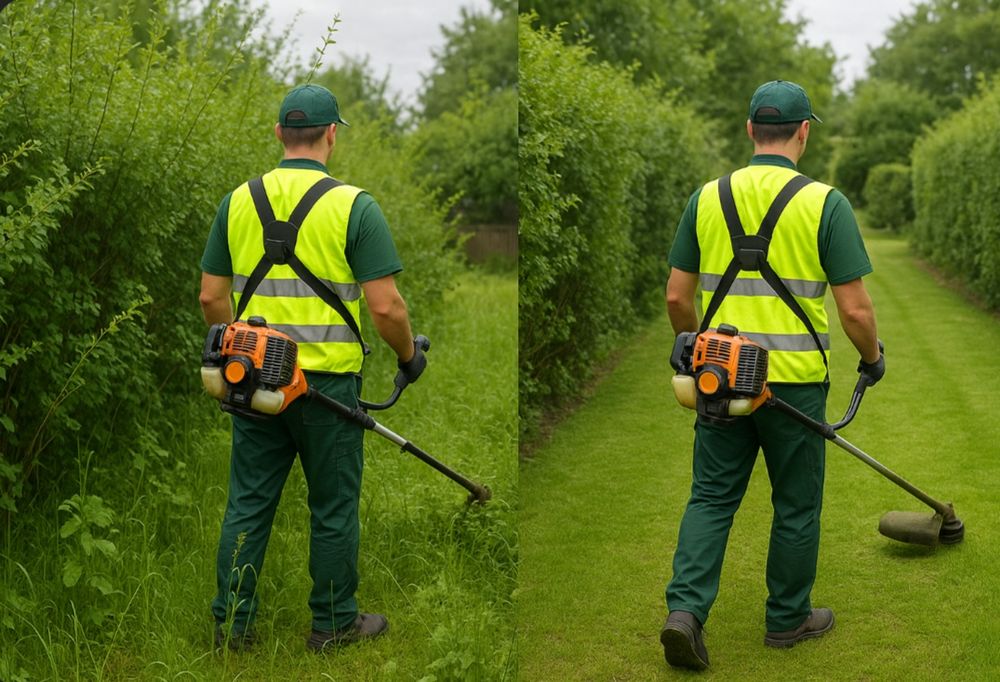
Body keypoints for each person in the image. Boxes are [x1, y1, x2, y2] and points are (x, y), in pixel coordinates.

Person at [659, 80, 885, 671]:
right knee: (796, 504)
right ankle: (787, 619)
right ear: (804, 131)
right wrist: (872, 358)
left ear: (749, 129)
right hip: (796, 387)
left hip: (720, 379)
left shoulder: (706, 198)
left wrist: (697, 348)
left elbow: (677, 297)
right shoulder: (825, 203)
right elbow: (856, 312)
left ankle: (685, 613)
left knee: (711, 497)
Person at [198, 83, 426, 653]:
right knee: (332, 507)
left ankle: (232, 627)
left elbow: (210, 298)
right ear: (330, 135)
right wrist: (408, 357)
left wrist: (238, 350)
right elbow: (386, 308)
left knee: (248, 503)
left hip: (253, 383)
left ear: (279, 134)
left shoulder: (237, 201)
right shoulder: (354, 206)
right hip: (328, 390)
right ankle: (333, 624)